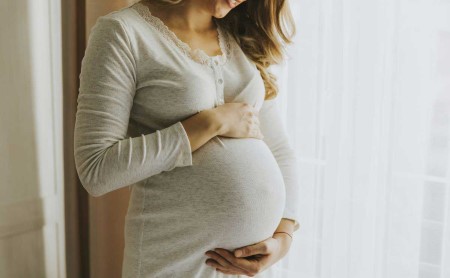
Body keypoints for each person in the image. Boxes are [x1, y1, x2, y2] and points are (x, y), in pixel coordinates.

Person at [74, 0, 301, 276]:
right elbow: (96, 170)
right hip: (172, 261)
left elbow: (280, 150)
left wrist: (283, 239)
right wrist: (207, 124)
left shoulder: (240, 34)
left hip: (243, 270)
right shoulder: (123, 33)